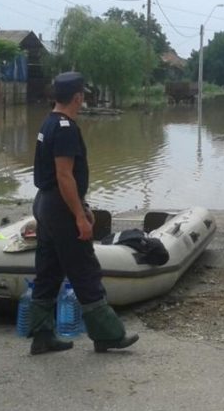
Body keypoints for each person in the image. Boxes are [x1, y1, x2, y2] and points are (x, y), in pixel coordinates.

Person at [28, 71, 138, 355]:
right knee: (85, 268)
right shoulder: (65, 128)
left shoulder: (48, 122)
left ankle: (41, 335)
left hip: (45, 203)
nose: (84, 99)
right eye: (84, 95)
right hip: (60, 207)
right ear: (77, 97)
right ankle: (107, 334)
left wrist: (82, 206)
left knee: (48, 270)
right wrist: (79, 214)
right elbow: (65, 175)